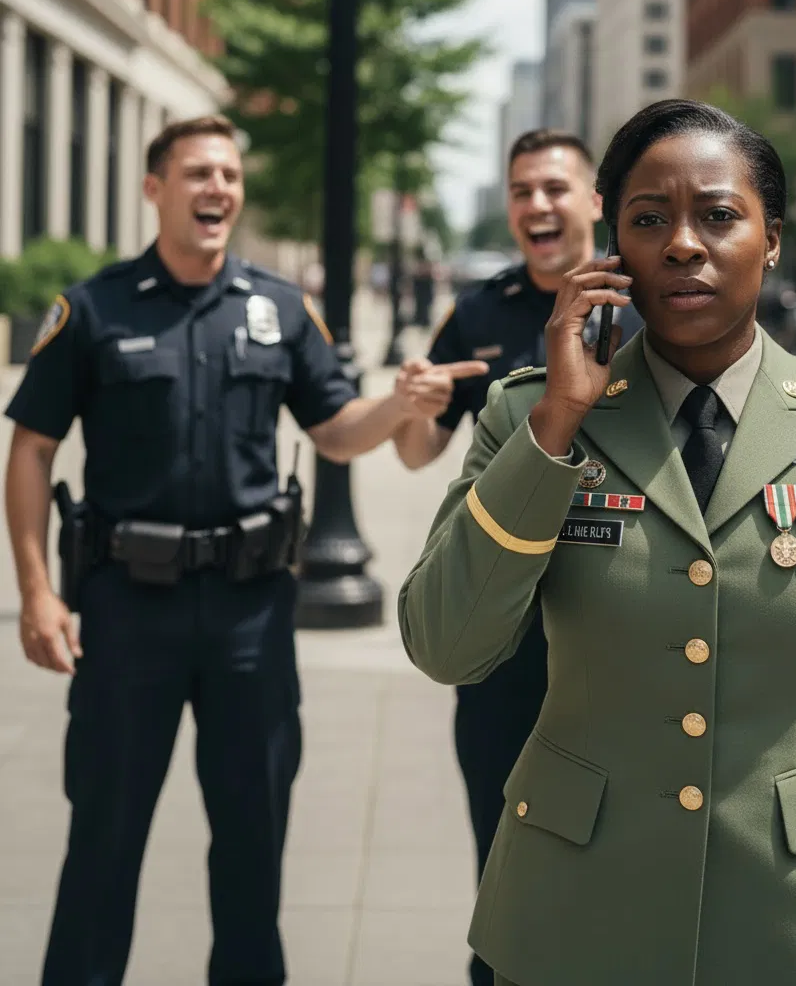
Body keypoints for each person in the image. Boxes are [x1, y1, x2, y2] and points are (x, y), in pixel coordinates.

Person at [398, 98, 796, 986]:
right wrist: (555, 426)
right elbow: (446, 645)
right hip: (576, 905)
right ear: (613, 248)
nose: (683, 244)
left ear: (771, 239)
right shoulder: (528, 413)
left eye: (719, 215)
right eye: (648, 220)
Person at [4, 115, 475, 986]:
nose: (217, 187)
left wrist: (401, 405)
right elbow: (31, 449)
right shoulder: (95, 308)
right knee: (103, 840)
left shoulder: (281, 308)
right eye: (198, 173)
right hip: (125, 611)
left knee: (254, 845)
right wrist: (37, 593)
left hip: (250, 616)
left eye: (228, 173)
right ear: (155, 189)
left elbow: (335, 431)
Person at [393, 130, 641, 986]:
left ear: (593, 203)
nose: (538, 205)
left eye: (554, 188)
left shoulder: (648, 303)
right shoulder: (481, 309)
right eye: (522, 191)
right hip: (504, 627)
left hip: (613, 622)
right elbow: (419, 452)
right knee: (503, 855)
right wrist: (415, 405)